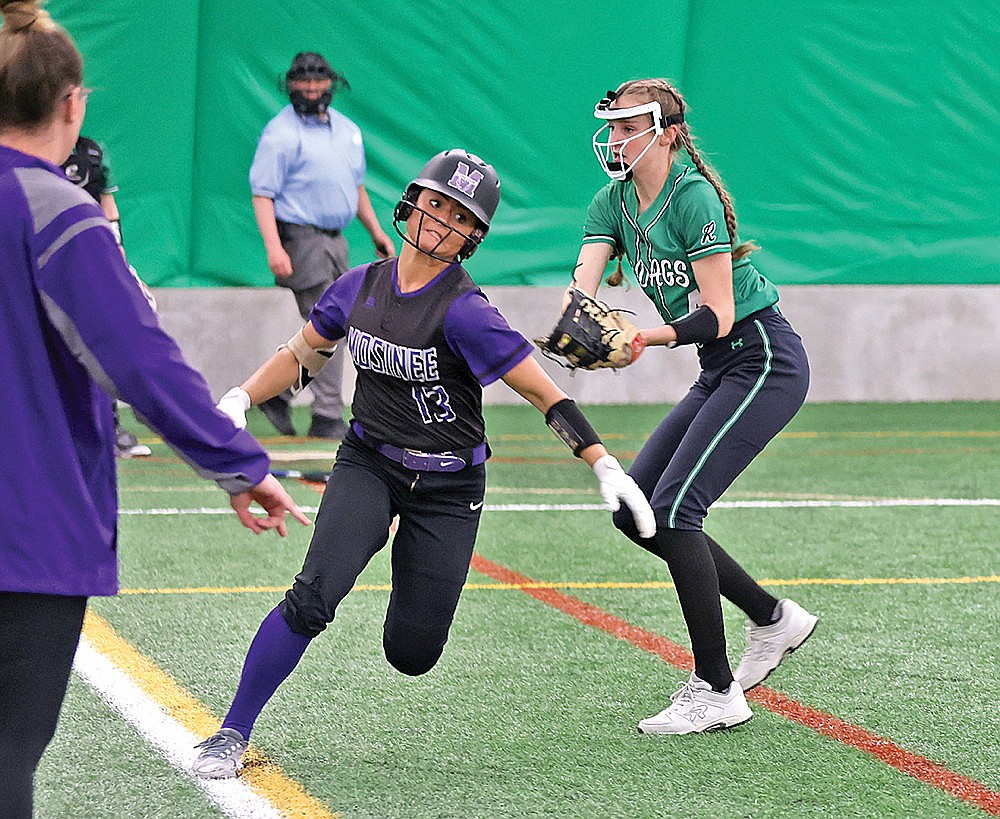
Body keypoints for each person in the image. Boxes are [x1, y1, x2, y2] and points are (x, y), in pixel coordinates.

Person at [192, 149, 655, 778]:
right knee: (312, 598)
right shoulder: (359, 286)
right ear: (412, 203)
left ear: (474, 236)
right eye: (437, 202)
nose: (443, 220)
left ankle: (406, 598)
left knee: (412, 652)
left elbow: (546, 392)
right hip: (369, 463)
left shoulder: (466, 310)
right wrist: (243, 396)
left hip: (449, 484)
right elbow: (304, 352)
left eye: (460, 215)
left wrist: (601, 461)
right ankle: (231, 731)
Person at [0, 4, 310, 816]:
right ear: (73, 104)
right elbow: (140, 359)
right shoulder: (57, 212)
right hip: (24, 535)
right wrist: (238, 462)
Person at [569, 78, 817, 734]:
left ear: (669, 131)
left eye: (627, 127)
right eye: (612, 127)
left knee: (676, 511)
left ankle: (716, 686)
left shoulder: (692, 195)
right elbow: (584, 282)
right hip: (720, 368)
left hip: (762, 357)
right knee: (636, 509)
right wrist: (579, 317)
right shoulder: (612, 201)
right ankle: (773, 618)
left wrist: (642, 336)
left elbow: (722, 312)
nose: (615, 138)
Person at [249, 51, 395, 440]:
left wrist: (376, 231)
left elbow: (356, 186)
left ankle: (278, 393)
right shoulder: (280, 133)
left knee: (332, 324)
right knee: (330, 322)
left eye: (318, 81)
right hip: (301, 237)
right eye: (303, 82)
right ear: (291, 85)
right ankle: (327, 413)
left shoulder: (347, 130)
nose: (311, 89)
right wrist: (274, 247)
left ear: (331, 83)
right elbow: (262, 194)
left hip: (337, 239)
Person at [61, 134, 152, 458]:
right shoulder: (20, 151)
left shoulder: (92, 152)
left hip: (86, 262)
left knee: (100, 338)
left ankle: (110, 427)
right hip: (40, 262)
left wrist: (119, 263)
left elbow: (108, 208)